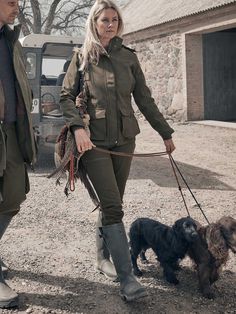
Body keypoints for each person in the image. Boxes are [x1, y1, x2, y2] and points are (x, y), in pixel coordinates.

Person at [60, 0, 175, 301]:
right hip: (93, 143)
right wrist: (78, 128)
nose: (110, 24)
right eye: (104, 20)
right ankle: (128, 280)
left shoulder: (129, 58)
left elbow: (145, 100)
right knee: (114, 206)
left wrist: (166, 133)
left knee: (113, 202)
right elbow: (65, 97)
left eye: (114, 19)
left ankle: (102, 258)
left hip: (125, 140)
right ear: (94, 23)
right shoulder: (82, 57)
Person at [0, 0, 36, 309]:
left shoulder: (10, 39)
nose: (17, 7)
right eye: (11, 1)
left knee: (13, 197)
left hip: (11, 131)